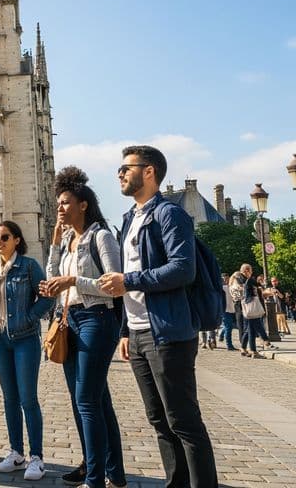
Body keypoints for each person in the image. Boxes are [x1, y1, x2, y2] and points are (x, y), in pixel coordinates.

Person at [99, 145, 218, 488]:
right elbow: (129, 282)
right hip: (137, 333)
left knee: (184, 421)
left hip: (167, 331)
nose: (120, 173)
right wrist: (124, 329)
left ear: (148, 171)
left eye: (126, 168)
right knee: (159, 420)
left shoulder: (169, 214)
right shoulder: (128, 218)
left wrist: (129, 281)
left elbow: (183, 269)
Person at [40, 167, 127, 488]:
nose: (59, 208)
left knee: (87, 400)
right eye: (58, 203)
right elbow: (53, 277)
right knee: (94, 400)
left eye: (65, 203)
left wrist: (74, 280)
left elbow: (115, 284)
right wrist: (53, 248)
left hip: (97, 320)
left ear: (83, 205)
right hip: (70, 320)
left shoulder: (101, 236)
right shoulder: (67, 241)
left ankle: (95, 477)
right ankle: (112, 472)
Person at [0, 220, 54, 481]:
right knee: (9, 399)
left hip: (24, 338)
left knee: (28, 399)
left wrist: (29, 317)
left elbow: (48, 296)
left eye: (4, 237)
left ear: (16, 240)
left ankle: (36, 457)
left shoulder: (29, 266)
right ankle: (16, 452)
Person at [218, 274, 238, 351]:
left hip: (233, 309)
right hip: (225, 310)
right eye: (224, 279)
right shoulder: (223, 288)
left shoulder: (232, 288)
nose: (226, 280)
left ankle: (221, 333)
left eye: (227, 279)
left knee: (229, 326)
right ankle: (229, 345)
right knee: (229, 327)